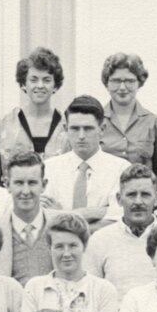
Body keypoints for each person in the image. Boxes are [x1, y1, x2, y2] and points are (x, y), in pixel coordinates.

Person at [21, 213, 120, 312]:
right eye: (59, 246)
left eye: (73, 246)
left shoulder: (103, 289)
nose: (66, 253)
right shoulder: (35, 287)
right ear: (49, 248)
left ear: (84, 246)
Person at [0, 46, 70, 180]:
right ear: (23, 84)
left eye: (47, 80)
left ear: (55, 85)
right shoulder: (2, 125)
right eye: (33, 79)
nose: (40, 85)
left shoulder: (67, 126)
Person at [44, 97, 127, 227]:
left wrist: (65, 215)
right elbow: (43, 218)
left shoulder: (121, 169)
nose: (81, 136)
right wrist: (99, 211)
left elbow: (118, 219)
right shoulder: (49, 168)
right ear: (66, 129)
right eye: (75, 129)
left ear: (102, 129)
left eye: (88, 128)